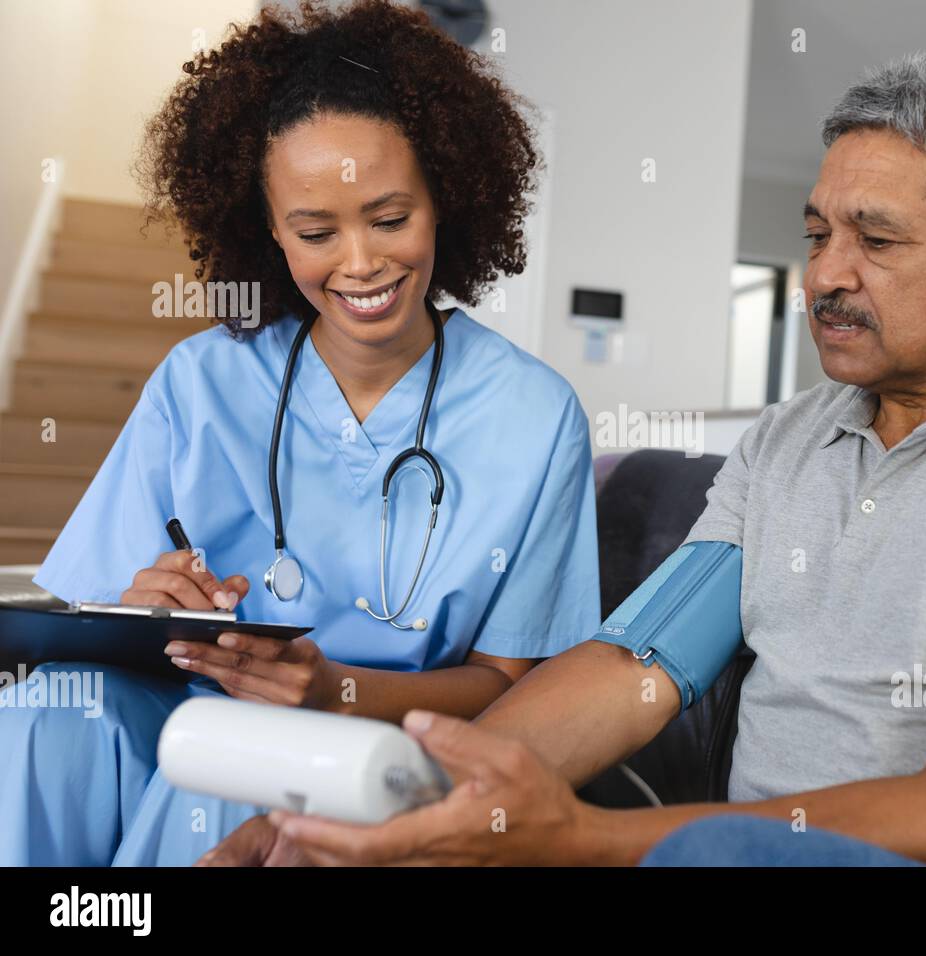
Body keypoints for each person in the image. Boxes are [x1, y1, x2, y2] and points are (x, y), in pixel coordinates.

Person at [208, 53, 926, 867]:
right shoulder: (792, 440)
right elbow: (640, 665)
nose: (824, 275)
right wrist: (386, 790)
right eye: (815, 232)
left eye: (874, 242)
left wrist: (580, 842)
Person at [0, 0, 599, 866]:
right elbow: (100, 611)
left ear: (449, 198)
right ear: (268, 231)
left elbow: (510, 686)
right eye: (316, 232)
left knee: (224, 762)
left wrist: (333, 691)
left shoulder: (536, 418)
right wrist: (145, 602)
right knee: (41, 714)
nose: (359, 263)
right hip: (189, 702)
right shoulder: (201, 381)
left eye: (391, 220)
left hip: (376, 741)